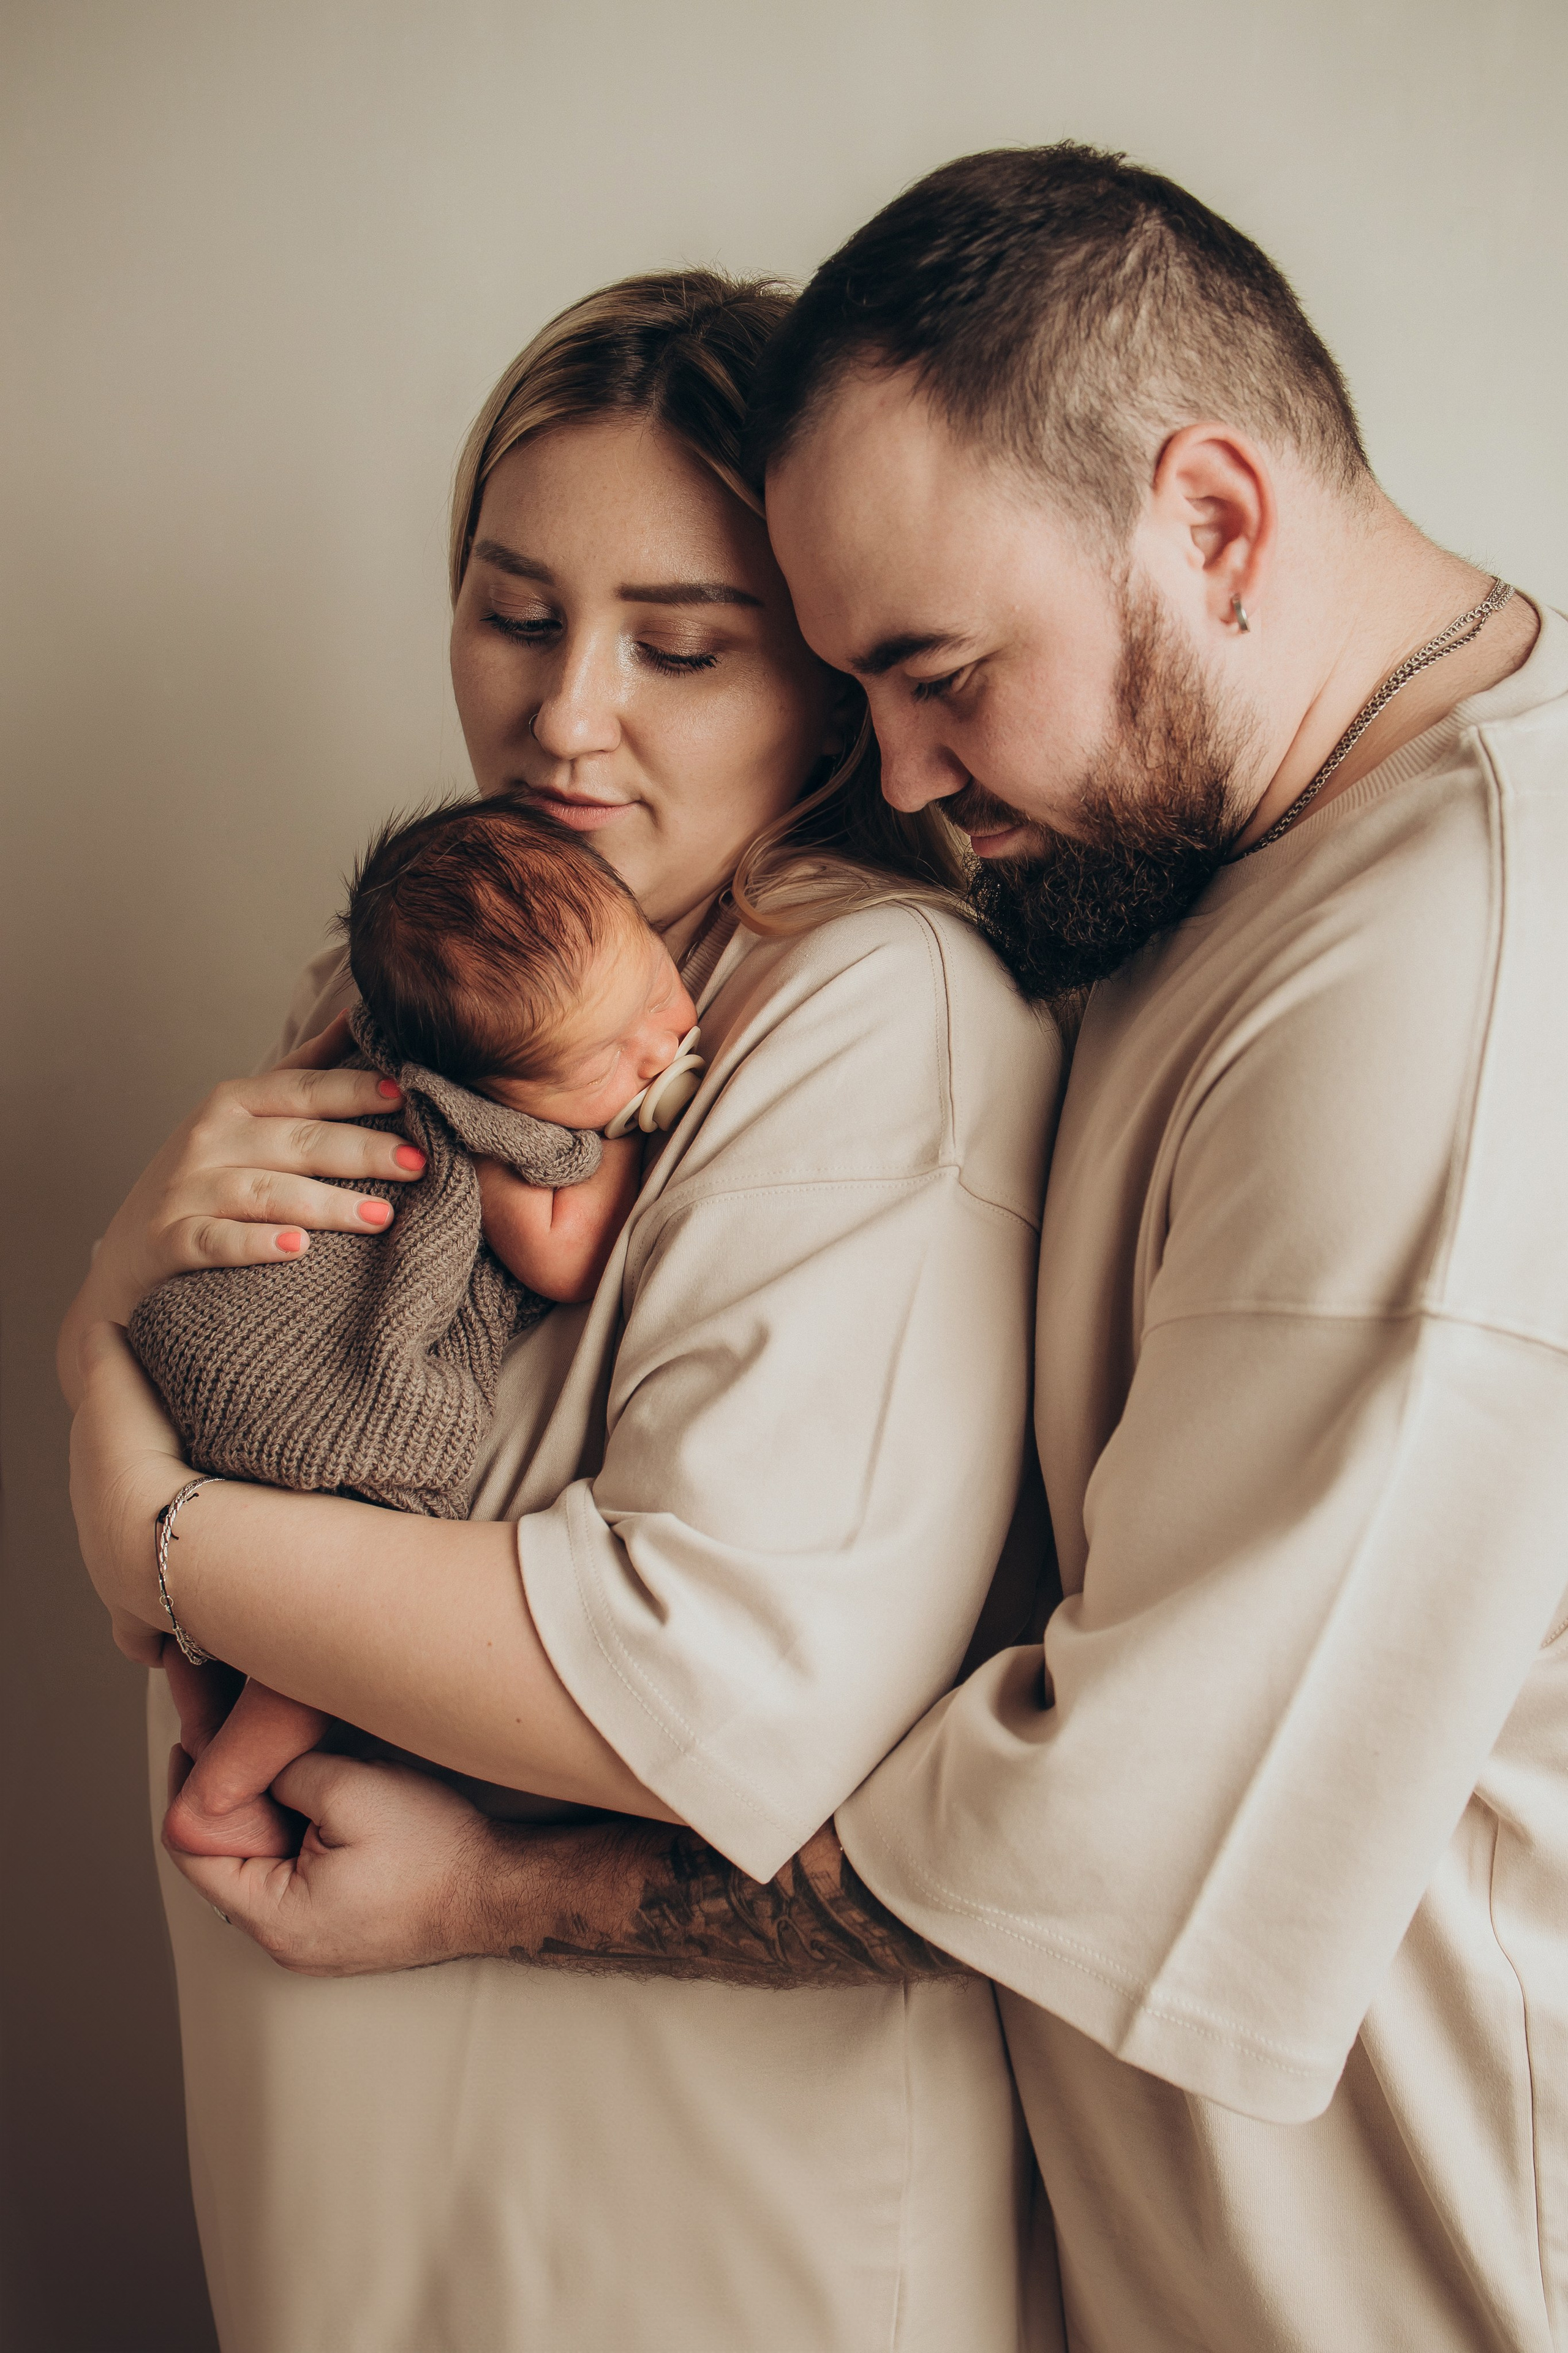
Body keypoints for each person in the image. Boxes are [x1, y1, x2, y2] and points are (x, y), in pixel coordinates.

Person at [85, 145, 1566, 2350]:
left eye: (932, 673)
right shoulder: (1164, 866)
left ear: (1219, 527)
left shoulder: (1446, 993)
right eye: (860, 682)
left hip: (1380, 2271)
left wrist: (184, 1546)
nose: (904, 768)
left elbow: (1053, 1798)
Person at [63, 270, 1065, 2353]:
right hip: (368, 2173)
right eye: (516, 615)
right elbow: (292, 1388)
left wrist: (150, 1522)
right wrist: (105, 1317)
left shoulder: (871, 1011)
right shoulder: (417, 991)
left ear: (824, 682)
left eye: (678, 646)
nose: (563, 714)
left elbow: (704, 1677)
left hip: (672, 2215)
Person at [139, 796, 701, 1860]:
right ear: (491, 1082)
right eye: (601, 1060)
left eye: (657, 987)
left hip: (219, 1337)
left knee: (216, 1605)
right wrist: (636, 1138)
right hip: (311, 1365)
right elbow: (564, 1253)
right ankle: (220, 1792)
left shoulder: (424, 1031)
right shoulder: (477, 1120)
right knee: (321, 1628)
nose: (654, 1046)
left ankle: (203, 1710)